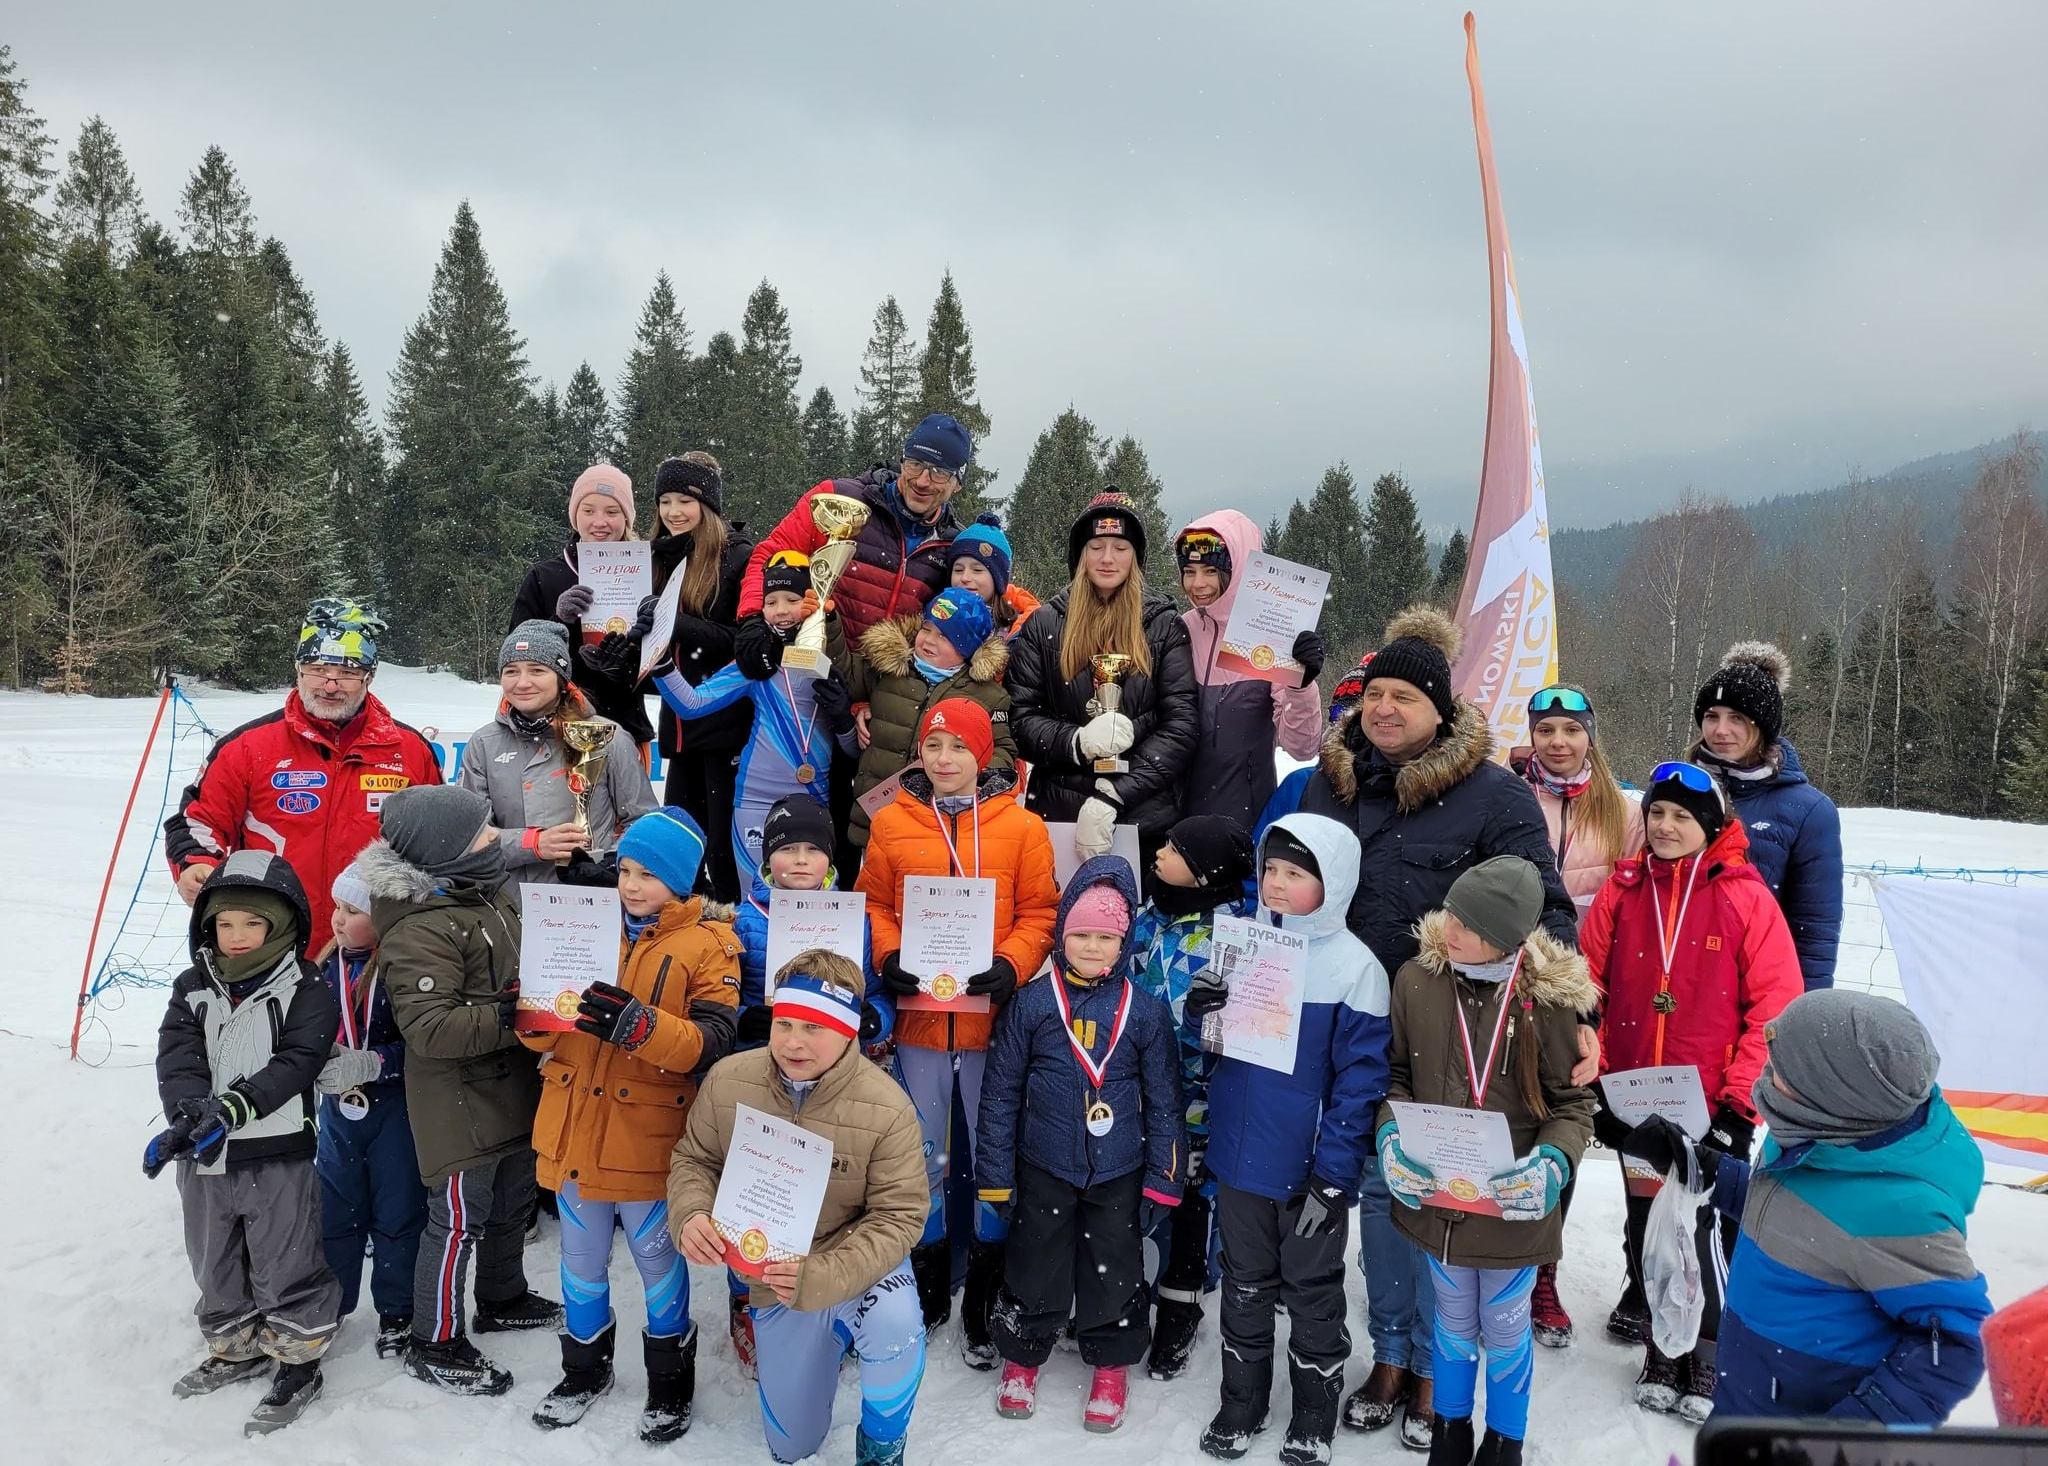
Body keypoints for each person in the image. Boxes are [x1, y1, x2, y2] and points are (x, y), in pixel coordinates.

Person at [1297, 606, 1575, 1448]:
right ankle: (1389, 1352)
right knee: (1378, 1195)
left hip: (1450, 1034)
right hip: (1346, 1024)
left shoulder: (1491, 794)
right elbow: (1292, 880)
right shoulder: (1332, 780)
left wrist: (1574, 1013)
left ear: (1441, 711)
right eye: (1373, 693)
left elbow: (1545, 907)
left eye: (1403, 698)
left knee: (1430, 1195)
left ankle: (1430, 1366)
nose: (1383, 709)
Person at [1619, 990, 1992, 1425]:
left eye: (1779, 1072)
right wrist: (1697, 1164)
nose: (1763, 1077)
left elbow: (1954, 1342)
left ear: (1834, 1094)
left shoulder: (1900, 1209)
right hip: (1749, 1395)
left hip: (1804, 1428)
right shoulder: (1814, 1134)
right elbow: (1787, 1211)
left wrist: (1848, 1436)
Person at [1580, 761, 1802, 1422]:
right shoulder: (1622, 891)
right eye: (1657, 814)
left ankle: (1708, 1350)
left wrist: (1740, 1106)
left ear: (1711, 825)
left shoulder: (1743, 894)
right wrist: (1595, 1081)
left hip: (1715, 1101)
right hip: (1635, 1097)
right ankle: (1660, 1344)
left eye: (1682, 816)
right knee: (1647, 1222)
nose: (1666, 826)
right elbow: (1584, 987)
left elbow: (1775, 1009)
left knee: (1709, 1228)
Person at [520, 807, 741, 1439]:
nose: (633, 884)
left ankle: (669, 1383)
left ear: (682, 877)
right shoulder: (588, 929)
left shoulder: (709, 944)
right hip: (572, 1131)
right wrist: (533, 1014)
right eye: (625, 870)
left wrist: (641, 1028)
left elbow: (711, 1042)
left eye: (650, 873)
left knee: (656, 1264)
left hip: (645, 1142)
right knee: (580, 1261)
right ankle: (584, 1368)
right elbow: (547, 1043)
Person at [1375, 856, 1598, 1466]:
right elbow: (1396, 1077)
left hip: (1510, 1207)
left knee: (1502, 1328)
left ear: (1508, 938)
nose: (1450, 931)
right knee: (1450, 1322)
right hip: (1440, 1204)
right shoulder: (1417, 981)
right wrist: (1391, 1140)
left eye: (1469, 926)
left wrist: (1552, 1162)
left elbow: (1573, 1103)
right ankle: (1450, 1434)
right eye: (1450, 913)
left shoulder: (1546, 1003)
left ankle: (1505, 1440)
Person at [669, 952, 930, 1466]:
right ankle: (826, 1340)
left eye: (814, 1027)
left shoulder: (888, 1104)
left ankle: (882, 1444)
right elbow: (694, 1160)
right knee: (792, 1445)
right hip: (773, 1273)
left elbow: (899, 1215)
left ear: (848, 1032)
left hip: (854, 1262)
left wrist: (828, 1275)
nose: (793, 1041)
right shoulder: (728, 1080)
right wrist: (692, 1213)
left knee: (897, 1325)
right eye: (785, 1023)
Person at [858, 698, 1060, 1354]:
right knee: (923, 1155)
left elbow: (1040, 911)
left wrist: (1011, 963)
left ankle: (986, 1281)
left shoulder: (1021, 827)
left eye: (958, 749)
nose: (944, 760)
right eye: (934, 747)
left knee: (994, 1153)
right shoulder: (891, 823)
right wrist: (887, 957)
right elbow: (875, 904)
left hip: (989, 1025)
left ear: (983, 757)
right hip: (919, 1020)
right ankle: (927, 1268)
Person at [1198, 814, 1392, 1466]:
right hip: (1239, 1161)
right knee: (1244, 1284)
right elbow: (1217, 1061)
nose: (1276, 884)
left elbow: (1358, 1086)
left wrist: (1333, 1174)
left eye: (1295, 873)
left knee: (1312, 1292)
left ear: (1332, 882)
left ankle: (1313, 1409)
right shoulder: (1241, 945)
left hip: (1308, 1170)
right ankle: (1242, 1398)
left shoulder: (1355, 969)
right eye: (1270, 869)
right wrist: (1204, 1010)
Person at [359, 784, 561, 1397]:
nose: (495, 836)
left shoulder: (488, 890)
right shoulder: (420, 926)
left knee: (510, 1204)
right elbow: (431, 1028)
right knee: (456, 1224)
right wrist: (520, 1014)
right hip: (458, 1102)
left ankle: (501, 1296)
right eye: (481, 831)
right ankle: (435, 1337)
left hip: (511, 1086)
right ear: (444, 849)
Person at [976, 855, 1185, 1432]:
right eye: (1081, 935)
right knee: (1035, 1262)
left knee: (1113, 1267)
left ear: (1124, 942)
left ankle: (1111, 1365)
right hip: (1044, 1162)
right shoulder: (1034, 1005)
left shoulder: (1144, 1013)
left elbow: (1167, 1102)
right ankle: (1022, 1355)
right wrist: (996, 1175)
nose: (1092, 948)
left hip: (1118, 1167)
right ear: (1063, 933)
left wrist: (1163, 1182)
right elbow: (999, 1095)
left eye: (1106, 937)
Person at [150, 851, 341, 1435]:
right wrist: (188, 1116)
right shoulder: (192, 986)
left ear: (281, 925)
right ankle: (236, 1343)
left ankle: (296, 1358)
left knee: (285, 1256)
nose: (236, 937)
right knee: (213, 1255)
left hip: (277, 1151)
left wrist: (233, 1107)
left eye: (252, 924)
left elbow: (297, 1061)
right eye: (224, 923)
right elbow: (178, 1053)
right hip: (206, 1153)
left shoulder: (307, 986)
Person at [165, 597, 443, 944]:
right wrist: (196, 863)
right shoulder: (247, 746)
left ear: (369, 677)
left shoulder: (410, 751)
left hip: (377, 950)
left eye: (347, 673)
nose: (330, 685)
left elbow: (438, 847)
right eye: (318, 669)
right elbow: (201, 821)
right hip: (276, 942)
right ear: (298, 671)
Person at [1506, 682, 1643, 1349]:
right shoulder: (1509, 795)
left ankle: (1544, 1271)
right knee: (1513, 1120)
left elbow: (1638, 902)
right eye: (1546, 731)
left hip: (1588, 993)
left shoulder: (1623, 810)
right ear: (1530, 736)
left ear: (1592, 736)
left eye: (1571, 730)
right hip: (1512, 984)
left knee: (1564, 1128)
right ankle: (1496, 1253)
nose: (1558, 743)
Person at [1005, 491, 1200, 877]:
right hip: (1061, 811)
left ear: (1136, 557)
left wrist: (1115, 794)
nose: (1107, 558)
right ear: (1081, 554)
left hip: (1143, 814)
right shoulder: (1045, 625)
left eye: (1120, 547)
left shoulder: (1162, 626)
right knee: (1070, 930)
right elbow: (1020, 717)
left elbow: (1180, 726)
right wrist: (1075, 742)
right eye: (1096, 546)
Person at [1130, 813, 1258, 1381]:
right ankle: (1129, 1291)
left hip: (1203, 1096)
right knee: (1143, 1187)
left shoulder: (1240, 935)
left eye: (1177, 849)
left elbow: (1256, 1024)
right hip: (1138, 1089)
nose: (1160, 852)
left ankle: (1181, 1305)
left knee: (1191, 1198)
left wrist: (1215, 1019)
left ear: (1206, 874)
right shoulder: (1147, 918)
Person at [655, 552, 857, 883]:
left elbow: (851, 751)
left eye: (792, 599)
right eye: (770, 601)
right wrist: (662, 664)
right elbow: (691, 704)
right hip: (755, 799)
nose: (780, 610)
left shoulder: (834, 658)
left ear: (813, 601)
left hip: (814, 799)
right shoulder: (756, 664)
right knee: (755, 903)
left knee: (809, 908)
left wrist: (843, 720)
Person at [733, 412, 973, 665]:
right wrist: (753, 620)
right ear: (902, 461)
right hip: (808, 664)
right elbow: (770, 555)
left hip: (887, 688)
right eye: (915, 464)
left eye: (939, 473)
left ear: (957, 483)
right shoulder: (837, 499)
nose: (922, 481)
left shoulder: (954, 547)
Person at [312, 860, 426, 1362]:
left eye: (353, 910)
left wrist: (374, 1062)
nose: (338, 919)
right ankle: (331, 1303)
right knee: (336, 1210)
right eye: (337, 906)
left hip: (395, 1113)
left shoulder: (402, 969)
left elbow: (423, 1048)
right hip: (339, 1113)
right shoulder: (324, 968)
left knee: (397, 1214)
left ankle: (398, 1312)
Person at [1690, 641, 1844, 991]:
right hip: (1682, 984)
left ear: (1763, 726)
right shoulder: (1678, 789)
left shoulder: (1808, 811)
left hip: (1758, 987)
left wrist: (1802, 1012)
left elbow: (1814, 929)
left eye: (1737, 719)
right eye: (1711, 717)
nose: (1721, 731)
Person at [459, 620, 656, 888]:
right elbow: (470, 837)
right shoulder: (484, 743)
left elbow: (644, 822)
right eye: (511, 671)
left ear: (561, 678)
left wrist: (613, 860)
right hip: (510, 903)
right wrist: (533, 844)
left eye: (537, 670)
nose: (523, 682)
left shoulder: (608, 737)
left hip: (588, 900)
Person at [830, 583, 1017, 854]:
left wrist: (956, 772)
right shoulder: (889, 668)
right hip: (872, 821)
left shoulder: (988, 695)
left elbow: (1003, 754)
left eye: (944, 636)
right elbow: (845, 674)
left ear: (967, 648)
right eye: (926, 629)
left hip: (937, 825)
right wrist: (829, 621)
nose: (928, 640)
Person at [647, 452, 757, 902]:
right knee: (680, 845)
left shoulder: (739, 557)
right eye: (665, 501)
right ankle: (686, 930)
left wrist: (673, 622)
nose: (673, 512)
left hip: (727, 725)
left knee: (723, 850)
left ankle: (735, 934)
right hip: (679, 725)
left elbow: (744, 641)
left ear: (708, 506)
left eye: (685, 501)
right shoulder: (656, 555)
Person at [1174, 511, 1325, 834]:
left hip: (1243, 820)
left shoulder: (1269, 632)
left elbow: (1301, 747)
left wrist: (1301, 685)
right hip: (1176, 817)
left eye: (1211, 571)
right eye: (1190, 571)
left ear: (1240, 568)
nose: (1198, 584)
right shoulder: (1182, 629)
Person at [509, 462, 656, 746]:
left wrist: (624, 665)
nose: (599, 522)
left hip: (624, 728)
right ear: (575, 516)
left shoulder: (648, 573)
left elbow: (665, 668)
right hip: (553, 730)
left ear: (626, 518)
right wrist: (558, 621)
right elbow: (515, 656)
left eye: (612, 512)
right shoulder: (545, 576)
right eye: (588, 511)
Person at [945, 512, 1042, 640]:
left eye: (977, 570)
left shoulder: (1016, 630)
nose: (965, 577)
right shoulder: (936, 616)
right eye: (958, 570)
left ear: (998, 579)